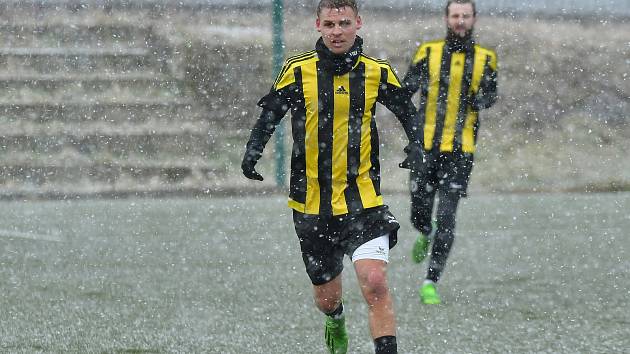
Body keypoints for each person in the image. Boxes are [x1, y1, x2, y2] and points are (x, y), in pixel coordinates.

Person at [241, 1, 423, 352]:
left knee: (374, 282)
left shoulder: (376, 71)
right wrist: (253, 150)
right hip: (312, 203)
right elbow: (270, 115)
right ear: (318, 25)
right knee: (326, 299)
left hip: (363, 199)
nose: (337, 31)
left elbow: (407, 111)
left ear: (358, 22)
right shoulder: (297, 69)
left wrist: (417, 148)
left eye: (343, 23)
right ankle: (335, 320)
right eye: (329, 24)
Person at [401, 0, 498, 305]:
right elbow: (406, 89)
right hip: (425, 148)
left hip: (460, 150)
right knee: (419, 208)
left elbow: (491, 95)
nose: (460, 21)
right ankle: (423, 230)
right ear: (446, 18)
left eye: (465, 16)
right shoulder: (427, 52)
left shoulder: (486, 58)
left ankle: (430, 281)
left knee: (447, 216)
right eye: (455, 15)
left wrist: (480, 98)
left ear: (473, 20)